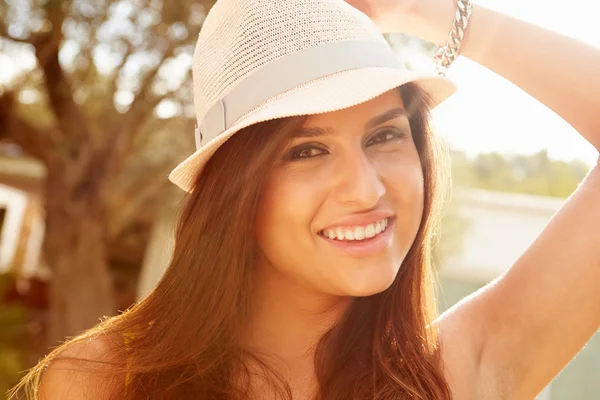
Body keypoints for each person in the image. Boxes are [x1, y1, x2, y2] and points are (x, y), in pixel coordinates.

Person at [9, 0, 600, 399]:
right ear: (235, 188)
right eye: (306, 151)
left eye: (385, 135)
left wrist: (427, 11)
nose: (367, 190)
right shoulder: (108, 379)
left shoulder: (459, 371)